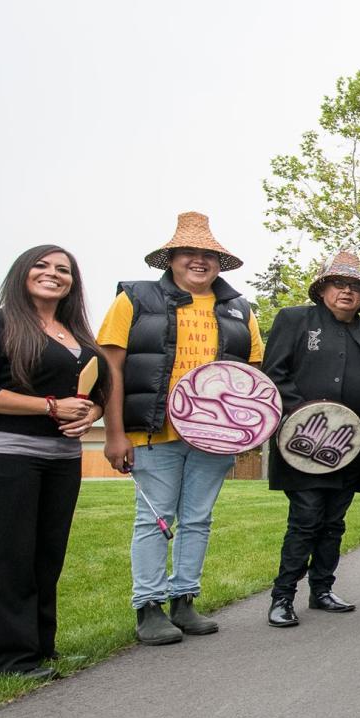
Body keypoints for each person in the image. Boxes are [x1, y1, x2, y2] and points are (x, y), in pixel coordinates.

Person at [98, 212, 263, 646]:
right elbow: (110, 368)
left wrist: (246, 433)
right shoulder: (134, 299)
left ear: (219, 263)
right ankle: (149, 607)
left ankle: (184, 600)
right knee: (154, 520)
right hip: (154, 433)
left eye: (208, 254)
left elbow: (252, 378)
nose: (198, 260)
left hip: (214, 438)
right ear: (170, 259)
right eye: (188, 252)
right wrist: (114, 433)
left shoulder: (239, 310)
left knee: (198, 519)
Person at [0, 245, 107, 679]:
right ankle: (1, 660)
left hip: (61, 459)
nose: (52, 273)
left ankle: (38, 648)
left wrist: (90, 415)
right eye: (41, 265)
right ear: (21, 272)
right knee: (10, 555)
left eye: (63, 269)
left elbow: (97, 395)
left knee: (46, 556)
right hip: (6, 455)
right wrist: (50, 407)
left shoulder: (76, 334)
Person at [259, 251, 360, 628]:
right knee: (306, 518)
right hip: (303, 443)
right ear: (324, 289)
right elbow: (274, 373)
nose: (347, 292)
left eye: (355, 287)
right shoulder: (294, 319)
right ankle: (282, 596)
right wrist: (308, 415)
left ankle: (322, 589)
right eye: (339, 284)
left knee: (334, 522)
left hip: (350, 446)